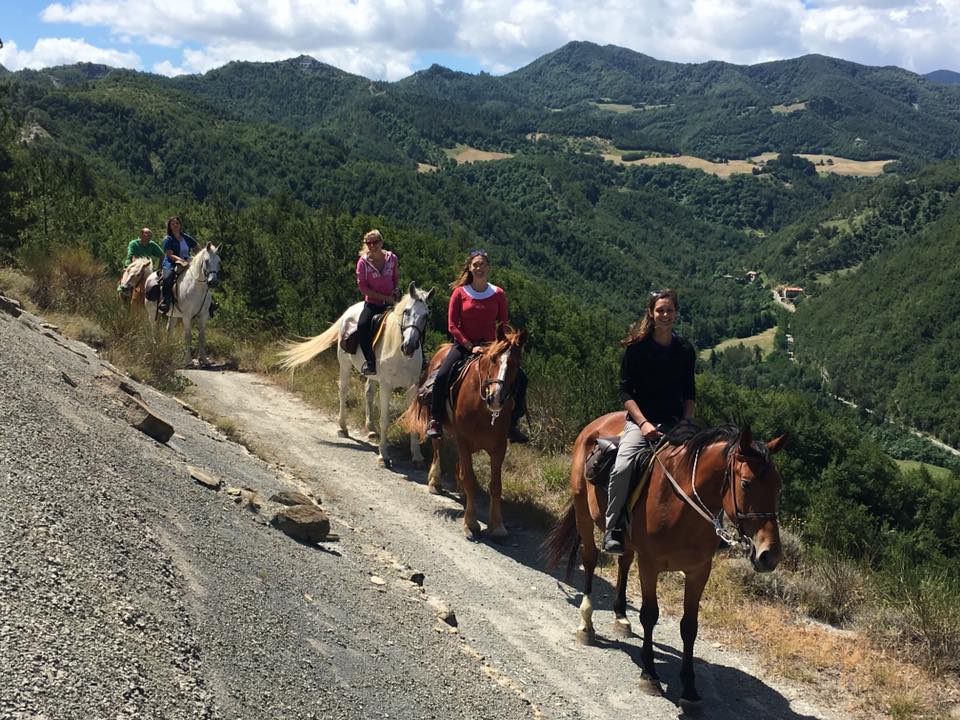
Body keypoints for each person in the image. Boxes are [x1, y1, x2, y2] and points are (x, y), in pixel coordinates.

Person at [602, 288, 696, 555]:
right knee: (623, 466)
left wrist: (687, 422)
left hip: (676, 422)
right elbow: (626, 392)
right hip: (641, 422)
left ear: (676, 313)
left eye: (669, 310)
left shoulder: (685, 350)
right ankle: (613, 528)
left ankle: (715, 529)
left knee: (713, 460)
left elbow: (689, 391)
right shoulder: (637, 349)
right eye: (660, 310)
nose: (665, 315)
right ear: (651, 314)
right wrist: (643, 423)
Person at [426, 249, 528, 443]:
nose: (479, 268)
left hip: (492, 347)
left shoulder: (498, 293)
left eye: (482, 264)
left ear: (488, 268)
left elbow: (504, 323)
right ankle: (435, 419)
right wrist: (470, 346)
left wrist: (503, 344)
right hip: (464, 345)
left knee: (521, 379)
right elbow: (452, 325)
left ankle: (512, 424)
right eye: (475, 265)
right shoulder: (459, 293)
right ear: (470, 268)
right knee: (441, 376)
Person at [355, 229, 400, 377]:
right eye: (369, 243)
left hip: (390, 302)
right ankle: (370, 362)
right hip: (373, 304)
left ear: (381, 242)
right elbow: (363, 288)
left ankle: (418, 358)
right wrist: (385, 298)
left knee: (409, 322)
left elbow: (395, 277)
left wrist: (396, 290)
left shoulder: (392, 259)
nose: (372, 245)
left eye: (375, 242)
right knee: (362, 326)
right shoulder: (363, 263)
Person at [159, 216, 198, 314]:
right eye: (172, 224)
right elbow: (170, 254)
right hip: (171, 262)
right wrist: (180, 260)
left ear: (180, 225)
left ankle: (209, 302)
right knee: (167, 277)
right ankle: (165, 300)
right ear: (170, 227)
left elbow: (197, 247)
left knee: (203, 275)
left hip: (187, 261)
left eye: (177, 223)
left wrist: (202, 256)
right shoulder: (168, 239)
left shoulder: (186, 237)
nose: (175, 225)